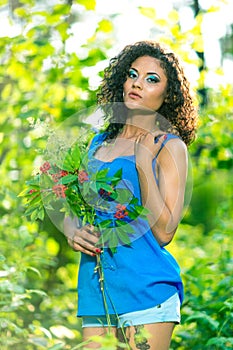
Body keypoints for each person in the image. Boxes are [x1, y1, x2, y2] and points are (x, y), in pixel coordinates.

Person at [64, 40, 198, 349]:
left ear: (168, 96)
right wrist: (73, 230)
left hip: (146, 290)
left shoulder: (169, 147)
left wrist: (142, 163)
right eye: (133, 74)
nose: (137, 83)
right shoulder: (97, 142)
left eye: (152, 79)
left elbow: (165, 233)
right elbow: (73, 202)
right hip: (96, 287)